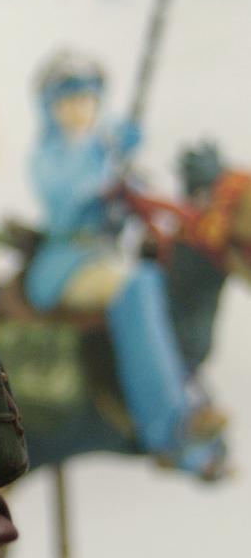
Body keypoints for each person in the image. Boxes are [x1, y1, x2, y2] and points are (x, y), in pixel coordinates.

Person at [24, 49, 225, 478]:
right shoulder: (51, 157)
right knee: (137, 286)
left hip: (101, 258)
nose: (80, 109)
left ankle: (189, 398)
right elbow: (69, 196)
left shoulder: (101, 152)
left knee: (160, 279)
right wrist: (104, 155)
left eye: (87, 99)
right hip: (63, 265)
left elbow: (135, 198)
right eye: (68, 101)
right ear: (50, 109)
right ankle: (168, 429)